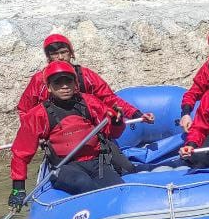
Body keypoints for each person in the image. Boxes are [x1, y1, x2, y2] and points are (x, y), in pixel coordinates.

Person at [8, 62, 130, 208]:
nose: (64, 86)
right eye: (58, 82)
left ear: (75, 83)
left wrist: (117, 123)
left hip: (97, 162)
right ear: (49, 87)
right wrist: (18, 188)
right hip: (64, 167)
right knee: (84, 183)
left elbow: (113, 133)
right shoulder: (38, 115)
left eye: (68, 81)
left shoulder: (90, 103)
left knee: (118, 189)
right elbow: (21, 153)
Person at [17, 34, 147, 123]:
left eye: (64, 52)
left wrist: (137, 114)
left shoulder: (86, 75)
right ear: (48, 58)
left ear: (71, 53)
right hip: (54, 129)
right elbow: (24, 110)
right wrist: (34, 132)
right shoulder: (39, 80)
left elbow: (109, 98)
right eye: (55, 54)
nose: (60, 57)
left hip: (87, 125)